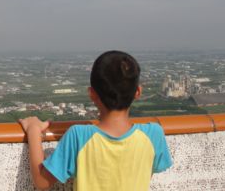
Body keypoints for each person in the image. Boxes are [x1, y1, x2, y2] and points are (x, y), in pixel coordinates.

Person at [19, 50, 173, 191]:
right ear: (138, 92)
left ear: (92, 93)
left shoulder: (78, 136)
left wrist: (33, 129)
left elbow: (41, 181)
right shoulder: (154, 134)